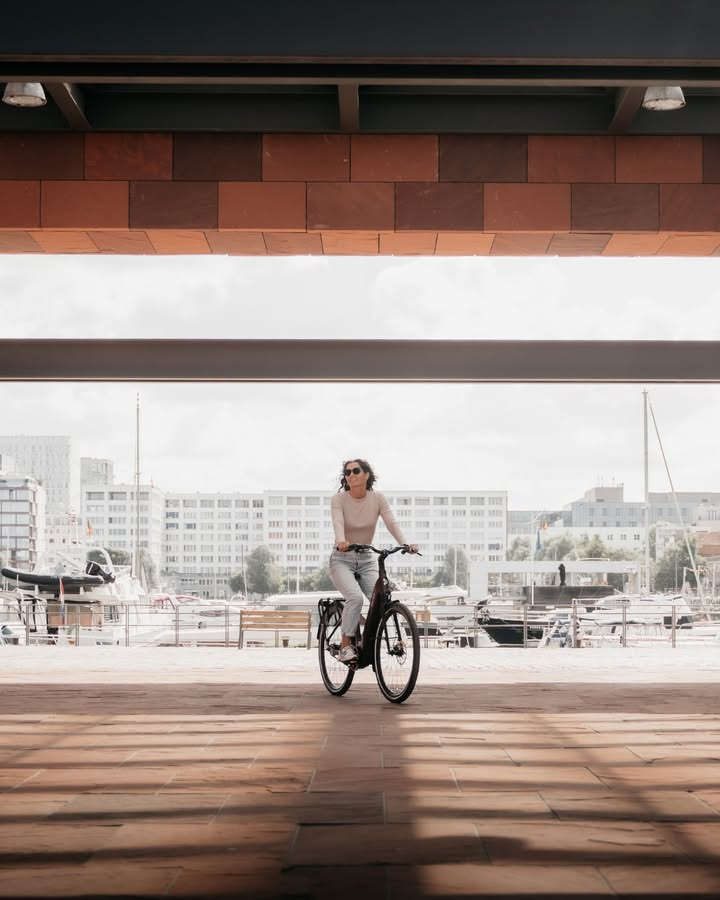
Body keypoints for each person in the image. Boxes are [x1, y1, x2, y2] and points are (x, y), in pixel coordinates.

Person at [329, 458, 418, 664]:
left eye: (356, 471)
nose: (350, 475)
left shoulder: (377, 498)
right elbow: (338, 522)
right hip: (342, 558)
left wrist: (405, 544)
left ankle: (396, 640)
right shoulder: (339, 500)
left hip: (368, 559)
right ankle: (345, 646)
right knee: (355, 598)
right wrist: (341, 540)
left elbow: (391, 522)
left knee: (381, 601)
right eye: (347, 472)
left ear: (367, 475)